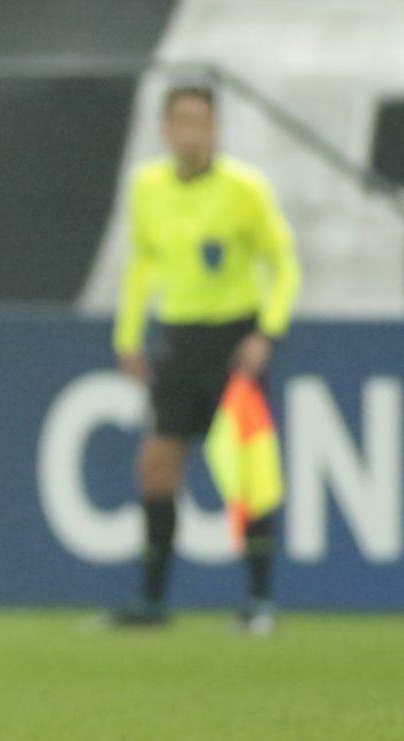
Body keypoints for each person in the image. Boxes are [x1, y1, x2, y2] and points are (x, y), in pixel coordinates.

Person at [111, 82, 301, 631]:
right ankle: (152, 602)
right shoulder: (147, 187)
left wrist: (267, 331)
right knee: (157, 463)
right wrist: (127, 336)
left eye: (201, 121)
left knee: (247, 469)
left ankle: (260, 600)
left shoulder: (245, 190)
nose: (191, 132)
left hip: (234, 339)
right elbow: (141, 263)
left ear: (216, 129)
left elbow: (283, 264)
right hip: (177, 336)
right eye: (182, 121)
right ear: (166, 129)